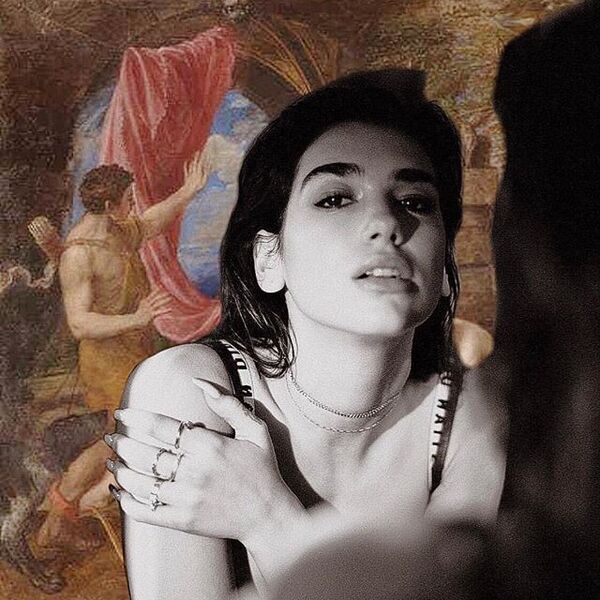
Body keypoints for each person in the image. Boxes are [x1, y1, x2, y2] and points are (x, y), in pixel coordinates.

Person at [106, 71, 506, 598]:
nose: (386, 223)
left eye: (415, 201)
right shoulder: (193, 391)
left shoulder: (475, 417)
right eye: (335, 198)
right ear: (269, 260)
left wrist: (267, 521)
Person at [37, 151, 211, 550]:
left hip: (134, 351)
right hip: (104, 362)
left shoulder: (115, 232)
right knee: (123, 434)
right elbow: (80, 323)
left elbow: (150, 223)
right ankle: (66, 513)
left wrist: (187, 192)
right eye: (128, 200)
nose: (133, 206)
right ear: (109, 205)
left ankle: (68, 513)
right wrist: (137, 318)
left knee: (124, 433)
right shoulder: (79, 253)